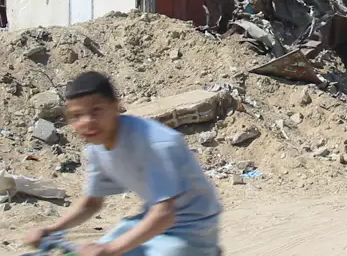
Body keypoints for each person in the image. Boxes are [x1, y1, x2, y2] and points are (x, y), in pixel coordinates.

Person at [24, 71, 222, 256]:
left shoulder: (154, 142)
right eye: (77, 116)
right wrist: (49, 230)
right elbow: (91, 203)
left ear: (116, 107)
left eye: (96, 111)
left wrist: (110, 249)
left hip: (193, 228)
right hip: (151, 220)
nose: (87, 122)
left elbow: (165, 214)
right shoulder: (97, 147)